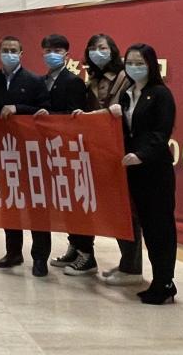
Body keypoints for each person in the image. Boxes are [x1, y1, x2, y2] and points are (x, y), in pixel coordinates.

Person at [73, 34, 141, 286]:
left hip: (124, 151)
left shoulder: (125, 78)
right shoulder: (92, 80)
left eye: (102, 47)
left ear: (112, 50)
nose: (97, 52)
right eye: (92, 48)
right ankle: (126, 264)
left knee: (127, 210)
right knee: (113, 209)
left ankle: (132, 268)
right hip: (101, 152)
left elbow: (131, 110)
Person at [115, 43, 178, 304]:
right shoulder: (127, 94)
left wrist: (141, 154)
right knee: (146, 226)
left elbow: (161, 132)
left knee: (159, 227)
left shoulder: (160, 94)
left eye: (139, 63)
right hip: (133, 170)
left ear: (151, 65)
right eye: (130, 62)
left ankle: (165, 282)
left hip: (154, 169)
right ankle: (159, 281)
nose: (134, 67)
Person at [0, 35, 50, 276]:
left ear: (21, 54)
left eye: (14, 50)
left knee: (36, 206)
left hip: (31, 153)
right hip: (1, 151)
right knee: (9, 203)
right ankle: (13, 252)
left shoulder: (35, 81)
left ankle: (40, 257)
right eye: (5, 49)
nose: (9, 54)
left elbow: (45, 111)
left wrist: (18, 109)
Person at [36, 34, 94, 277]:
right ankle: (74, 246)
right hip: (49, 151)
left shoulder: (74, 82)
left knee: (77, 202)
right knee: (65, 203)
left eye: (57, 50)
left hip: (70, 151)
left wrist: (50, 117)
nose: (52, 54)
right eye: (48, 50)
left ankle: (87, 254)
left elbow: (74, 117)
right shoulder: (41, 81)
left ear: (67, 55)